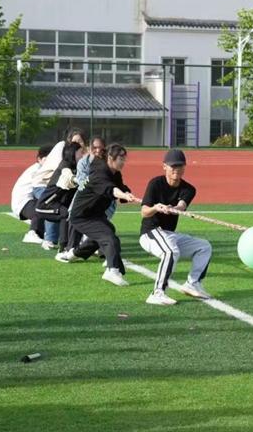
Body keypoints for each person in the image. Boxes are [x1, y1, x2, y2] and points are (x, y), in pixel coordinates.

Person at [138, 149, 213, 305]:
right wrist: (156, 208)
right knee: (170, 252)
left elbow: (181, 205)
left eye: (180, 166)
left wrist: (174, 208)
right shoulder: (155, 184)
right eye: (173, 166)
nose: (176, 170)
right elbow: (144, 212)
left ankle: (193, 284)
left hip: (169, 234)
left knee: (204, 246)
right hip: (151, 233)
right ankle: (157, 293)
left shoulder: (189, 189)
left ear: (184, 167)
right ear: (164, 167)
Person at [68, 144, 139, 286]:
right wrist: (123, 194)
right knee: (108, 237)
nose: (123, 162)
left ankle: (74, 254)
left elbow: (119, 187)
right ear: (111, 158)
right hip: (82, 215)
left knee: (106, 232)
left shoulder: (115, 173)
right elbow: (111, 190)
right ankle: (112, 271)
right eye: (121, 159)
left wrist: (126, 193)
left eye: (124, 159)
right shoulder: (99, 172)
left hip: (95, 213)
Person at [30, 128, 87, 250]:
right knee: (60, 209)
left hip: (59, 189)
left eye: (80, 141)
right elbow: (64, 173)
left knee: (70, 209)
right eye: (75, 141)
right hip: (43, 184)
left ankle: (71, 242)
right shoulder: (63, 151)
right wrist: (78, 180)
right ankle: (51, 239)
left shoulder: (81, 157)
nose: (77, 144)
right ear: (69, 142)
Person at [11, 144, 53, 244]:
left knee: (47, 205)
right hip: (24, 202)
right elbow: (39, 191)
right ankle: (32, 233)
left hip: (28, 200)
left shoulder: (42, 169)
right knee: (44, 206)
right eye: (48, 159)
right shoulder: (38, 170)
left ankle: (41, 234)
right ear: (39, 159)